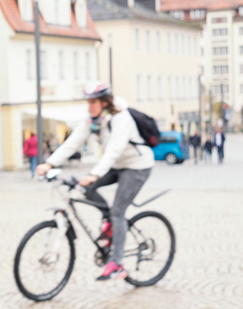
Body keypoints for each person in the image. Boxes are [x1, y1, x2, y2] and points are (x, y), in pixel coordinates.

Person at [36, 82, 154, 281]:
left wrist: (95, 174)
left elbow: (114, 149)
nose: (89, 105)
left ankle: (117, 264)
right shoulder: (93, 120)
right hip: (116, 165)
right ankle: (109, 222)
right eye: (88, 101)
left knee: (118, 210)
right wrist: (49, 163)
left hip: (137, 166)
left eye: (93, 101)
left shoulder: (121, 118)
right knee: (86, 187)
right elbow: (73, 142)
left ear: (104, 101)